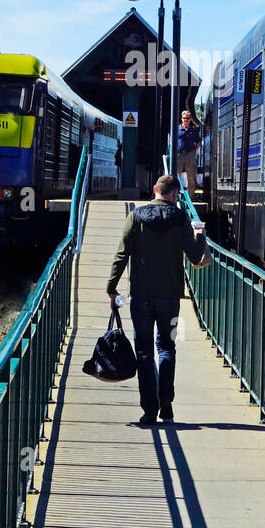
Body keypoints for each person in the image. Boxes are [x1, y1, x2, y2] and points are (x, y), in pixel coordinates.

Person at [106, 173, 209, 426]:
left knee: (144, 352)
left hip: (140, 297)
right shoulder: (181, 218)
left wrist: (112, 288)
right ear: (175, 194)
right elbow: (197, 258)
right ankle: (167, 400)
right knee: (167, 347)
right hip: (170, 298)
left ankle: (149, 410)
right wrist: (201, 235)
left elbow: (121, 255)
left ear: (154, 190)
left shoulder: (136, 217)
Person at [175, 109, 201, 189]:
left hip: (190, 153)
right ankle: (175, 195)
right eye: (184, 118)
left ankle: (191, 197)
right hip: (179, 153)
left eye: (187, 118)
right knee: (176, 175)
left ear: (190, 119)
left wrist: (193, 152)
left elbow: (198, 143)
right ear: (181, 119)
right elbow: (171, 142)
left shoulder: (193, 130)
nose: (185, 120)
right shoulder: (176, 129)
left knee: (191, 176)